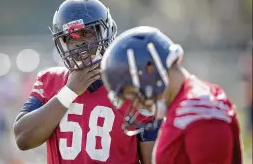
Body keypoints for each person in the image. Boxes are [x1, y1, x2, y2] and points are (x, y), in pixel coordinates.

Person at [13, 0, 158, 164]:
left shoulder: (134, 89)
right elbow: (22, 139)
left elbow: (153, 159)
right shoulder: (49, 81)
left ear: (105, 32)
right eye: (70, 37)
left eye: (86, 33)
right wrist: (69, 92)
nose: (79, 43)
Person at [101, 26, 242, 164]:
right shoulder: (181, 104)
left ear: (150, 70)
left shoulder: (200, 109)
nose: (136, 104)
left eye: (133, 94)